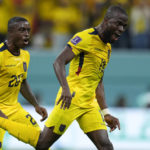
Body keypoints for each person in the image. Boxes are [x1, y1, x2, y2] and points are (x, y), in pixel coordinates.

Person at [0, 5, 128, 150]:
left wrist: (106, 113)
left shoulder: (107, 48)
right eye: (118, 24)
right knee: (42, 144)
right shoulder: (85, 38)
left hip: (89, 104)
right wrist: (65, 89)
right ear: (106, 20)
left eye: (124, 26)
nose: (121, 29)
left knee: (105, 146)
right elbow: (58, 62)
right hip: (70, 99)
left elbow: (98, 81)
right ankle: (2, 122)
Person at [0, 17, 48, 149]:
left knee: (42, 141)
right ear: (10, 33)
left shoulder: (25, 55)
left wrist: (36, 105)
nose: (27, 34)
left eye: (28, 30)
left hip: (14, 109)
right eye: (22, 30)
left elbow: (22, 82)